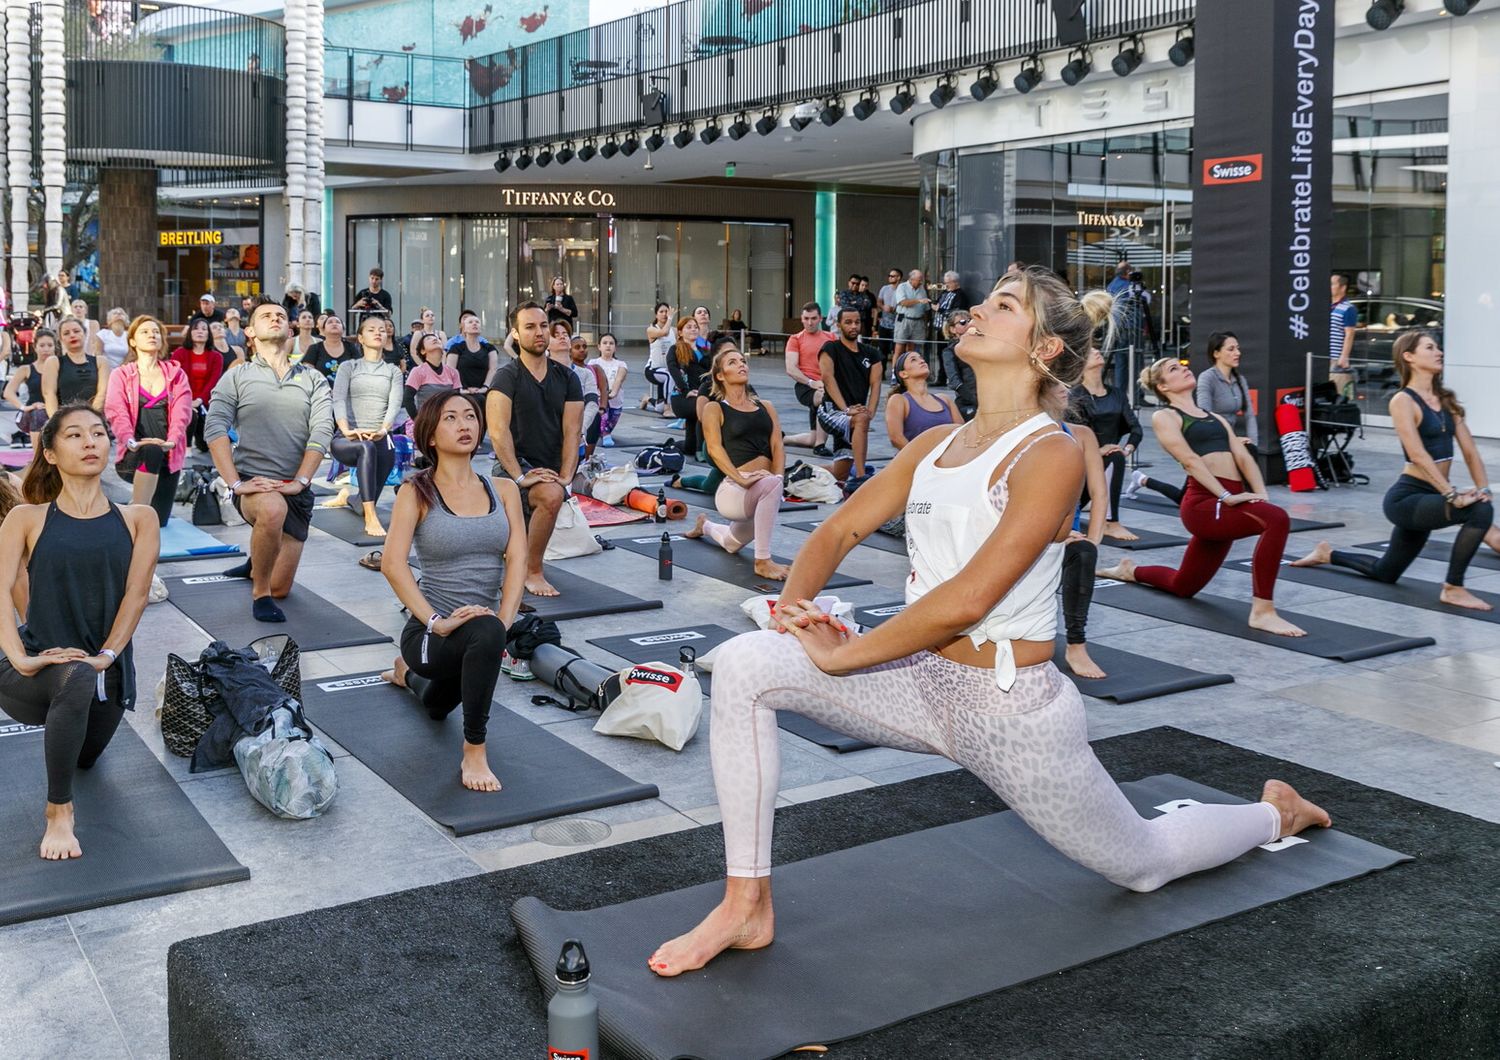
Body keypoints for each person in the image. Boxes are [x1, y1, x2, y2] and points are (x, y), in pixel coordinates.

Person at [647, 266, 1331, 977]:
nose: (976, 310)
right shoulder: (933, 445)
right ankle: (746, 903)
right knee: (747, 663)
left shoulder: (1052, 452)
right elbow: (835, 533)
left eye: (1003, 305)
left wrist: (844, 655)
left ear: (1041, 350)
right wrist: (796, 616)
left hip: (1010, 710)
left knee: (1143, 864)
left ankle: (1275, 814)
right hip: (913, 681)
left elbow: (970, 600)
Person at [0, 404, 158, 859]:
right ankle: (59, 812)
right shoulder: (26, 519)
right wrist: (20, 657)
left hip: (105, 673)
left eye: (98, 433)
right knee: (75, 676)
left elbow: (137, 595)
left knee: (86, 754)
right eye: (74, 436)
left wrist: (106, 656)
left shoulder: (138, 519)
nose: (90, 442)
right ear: (49, 453)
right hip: (32, 675)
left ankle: (77, 712)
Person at [378, 392, 526, 790]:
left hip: (478, 638)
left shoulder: (505, 490)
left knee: (435, 706)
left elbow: (518, 560)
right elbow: (393, 565)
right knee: (486, 631)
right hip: (430, 635)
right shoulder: (416, 491)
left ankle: (405, 676)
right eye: (450, 418)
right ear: (429, 435)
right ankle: (474, 751)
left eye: (470, 417)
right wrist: (436, 622)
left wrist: (505, 622)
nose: (464, 425)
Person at [1097, 358, 1304, 637]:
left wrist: (1261, 494)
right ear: (1162, 386)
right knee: (1277, 519)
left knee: (1184, 585)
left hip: (1225, 502)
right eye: (1173, 369)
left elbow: (1241, 456)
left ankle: (1130, 571)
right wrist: (1226, 495)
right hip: (1204, 504)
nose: (1183, 369)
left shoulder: (1215, 417)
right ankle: (1263, 611)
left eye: (1182, 366)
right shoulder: (1166, 417)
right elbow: (1190, 460)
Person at [1291, 330, 1493, 611]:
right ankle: (1453, 588)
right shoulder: (1403, 401)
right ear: (1409, 357)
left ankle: (1328, 554)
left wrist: (1483, 489)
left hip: (1432, 497)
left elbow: (1470, 452)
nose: (1439, 352)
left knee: (1386, 572)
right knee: (1478, 513)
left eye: (1438, 348)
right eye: (1430, 347)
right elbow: (1418, 455)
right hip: (1408, 499)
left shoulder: (1445, 400)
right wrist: (1451, 495)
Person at [204, 297, 334, 623]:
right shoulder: (237, 376)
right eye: (266, 316)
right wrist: (236, 483)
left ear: (290, 328)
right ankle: (259, 592)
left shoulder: (313, 378)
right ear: (250, 330)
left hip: (296, 487)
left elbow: (321, 430)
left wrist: (300, 481)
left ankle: (258, 565)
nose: (275, 318)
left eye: (280, 315)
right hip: (255, 484)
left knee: (282, 588)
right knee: (272, 510)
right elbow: (215, 428)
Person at [485, 302, 581, 599]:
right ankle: (532, 571)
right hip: (511, 468)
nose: (539, 332)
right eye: (529, 327)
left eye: (542, 326)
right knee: (549, 496)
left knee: (552, 491)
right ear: (515, 334)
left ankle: (521, 552)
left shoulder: (567, 378)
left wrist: (566, 475)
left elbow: (572, 431)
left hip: (549, 471)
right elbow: (498, 432)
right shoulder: (506, 377)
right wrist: (519, 476)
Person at [682, 345, 790, 581]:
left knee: (731, 543)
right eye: (733, 362)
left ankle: (705, 526)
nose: (741, 364)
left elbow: (777, 447)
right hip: (733, 491)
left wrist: (779, 480)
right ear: (720, 375)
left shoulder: (767, 407)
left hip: (763, 490)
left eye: (743, 360)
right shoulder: (715, 408)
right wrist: (740, 478)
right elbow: (714, 448)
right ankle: (762, 561)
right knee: (770, 483)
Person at [104, 316, 193, 528]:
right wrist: (129, 440)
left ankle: (134, 508)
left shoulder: (176, 374)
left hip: (168, 457)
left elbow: (183, 411)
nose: (151, 335)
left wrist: (172, 441)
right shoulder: (122, 374)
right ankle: (137, 510)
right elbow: (116, 411)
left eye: (155, 332)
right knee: (151, 450)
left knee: (159, 523)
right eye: (144, 332)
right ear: (132, 341)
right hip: (134, 454)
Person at [330, 316, 404, 539]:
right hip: (347, 439)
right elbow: (338, 399)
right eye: (371, 330)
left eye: (382, 329)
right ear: (360, 338)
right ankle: (371, 518)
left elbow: (394, 404)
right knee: (365, 448)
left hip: (380, 436)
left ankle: (351, 499)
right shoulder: (349, 367)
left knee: (363, 498)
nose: (378, 332)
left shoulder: (393, 371)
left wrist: (383, 429)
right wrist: (345, 429)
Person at [1067, 347, 1142, 542]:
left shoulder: (1116, 393)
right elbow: (1075, 436)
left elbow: (1136, 428)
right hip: (1081, 470)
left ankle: (1110, 521)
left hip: (1106, 463)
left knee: (1115, 456)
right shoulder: (1075, 395)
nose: (1097, 351)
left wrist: (1126, 449)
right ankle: (1109, 522)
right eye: (1090, 351)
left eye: (1097, 349)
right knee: (1112, 456)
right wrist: (1098, 451)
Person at [818, 306, 884, 483]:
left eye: (857, 322)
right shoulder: (830, 348)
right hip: (831, 412)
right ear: (839, 325)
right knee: (860, 418)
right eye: (848, 322)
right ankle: (861, 478)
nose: (853, 326)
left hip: (855, 415)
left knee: (841, 474)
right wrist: (846, 409)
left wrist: (871, 411)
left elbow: (876, 384)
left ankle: (801, 471)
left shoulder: (872, 353)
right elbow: (827, 378)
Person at [782, 302, 835, 453]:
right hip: (805, 386)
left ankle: (783, 439)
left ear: (820, 318)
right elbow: (791, 368)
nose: (809, 322)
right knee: (825, 397)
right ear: (802, 318)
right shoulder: (795, 339)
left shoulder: (830, 337)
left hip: (825, 385)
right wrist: (811, 382)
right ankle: (820, 446)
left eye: (813, 318)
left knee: (811, 439)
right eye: (806, 318)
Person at [884, 349, 960, 450]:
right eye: (913, 360)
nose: (922, 361)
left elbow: (961, 431)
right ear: (903, 374)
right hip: (917, 462)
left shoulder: (944, 399)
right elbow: (896, 438)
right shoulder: (899, 400)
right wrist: (922, 459)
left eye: (921, 358)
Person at [1194, 332, 1259, 451]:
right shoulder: (1207, 378)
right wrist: (1232, 440)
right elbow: (1204, 416)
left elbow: (1250, 415)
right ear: (1216, 353)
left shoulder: (1240, 379)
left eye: (1238, 348)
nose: (1237, 353)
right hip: (1212, 441)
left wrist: (1253, 443)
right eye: (1231, 349)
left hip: (1231, 441)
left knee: (1251, 450)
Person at [170, 319, 224, 453]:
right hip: (183, 401)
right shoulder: (179, 354)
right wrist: (187, 401)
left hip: (205, 403)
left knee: (204, 446)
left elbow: (214, 382)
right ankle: (187, 446)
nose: (200, 331)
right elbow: (174, 380)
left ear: (208, 334)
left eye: (204, 329)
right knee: (190, 412)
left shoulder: (216, 357)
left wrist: (199, 400)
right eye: (196, 328)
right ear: (190, 332)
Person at [41, 318, 108, 415]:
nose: (72, 335)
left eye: (76, 331)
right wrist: (56, 422)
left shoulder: (101, 361)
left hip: (95, 418)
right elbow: (49, 394)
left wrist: (91, 417)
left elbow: (103, 392)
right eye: (66, 333)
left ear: (85, 334)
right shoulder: (53, 362)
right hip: (64, 418)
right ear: (61, 339)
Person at [5, 329, 57, 449]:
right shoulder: (26, 369)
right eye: (42, 345)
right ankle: (37, 455)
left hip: (55, 411)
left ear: (55, 347)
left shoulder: (61, 367)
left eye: (50, 345)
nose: (46, 349)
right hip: (34, 414)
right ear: (35, 347)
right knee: (38, 414)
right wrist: (25, 407)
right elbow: (8, 392)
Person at [667, 316, 711, 457]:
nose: (693, 329)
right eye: (689, 327)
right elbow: (674, 371)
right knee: (704, 409)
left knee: (688, 447)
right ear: (680, 332)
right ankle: (701, 451)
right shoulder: (675, 349)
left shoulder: (704, 350)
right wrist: (685, 391)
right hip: (682, 398)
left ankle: (673, 444)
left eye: (695, 327)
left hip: (700, 395)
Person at [403, 332, 461, 418]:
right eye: (428, 339)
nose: (435, 339)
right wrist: (418, 421)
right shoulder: (417, 371)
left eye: (438, 339)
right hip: (427, 421)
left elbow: (457, 399)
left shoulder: (453, 372)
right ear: (423, 351)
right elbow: (407, 399)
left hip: (448, 420)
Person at [566, 331, 603, 458]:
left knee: (595, 416)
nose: (582, 350)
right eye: (577, 347)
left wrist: (602, 408)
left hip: (586, 416)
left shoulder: (593, 370)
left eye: (584, 346)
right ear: (569, 351)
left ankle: (586, 460)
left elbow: (602, 390)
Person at [445, 309, 498, 394]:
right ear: (464, 329)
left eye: (477, 322)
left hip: (483, 392)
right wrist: (461, 389)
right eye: (470, 322)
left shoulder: (489, 348)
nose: (474, 323)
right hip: (461, 393)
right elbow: (450, 371)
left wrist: (485, 387)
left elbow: (493, 369)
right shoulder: (455, 348)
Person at [588, 332, 627, 446]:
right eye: (605, 343)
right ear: (599, 346)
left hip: (615, 399)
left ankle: (604, 431)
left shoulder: (621, 364)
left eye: (611, 343)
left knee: (610, 423)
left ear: (615, 347)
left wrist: (612, 393)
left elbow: (619, 380)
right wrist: (603, 395)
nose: (608, 346)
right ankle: (605, 434)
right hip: (600, 398)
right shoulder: (593, 363)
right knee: (602, 415)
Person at [931, 271, 969, 381]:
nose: (946, 285)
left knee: (950, 353)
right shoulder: (944, 293)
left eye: (949, 283)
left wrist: (940, 309)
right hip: (939, 327)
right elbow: (937, 303)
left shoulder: (960, 295)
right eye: (945, 283)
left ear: (955, 282)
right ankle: (941, 378)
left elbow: (956, 313)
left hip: (950, 329)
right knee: (940, 354)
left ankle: (949, 377)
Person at [940, 311, 977, 420]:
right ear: (952, 329)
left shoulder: (981, 346)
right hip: (969, 402)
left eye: (970, 321)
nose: (968, 324)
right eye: (962, 322)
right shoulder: (949, 351)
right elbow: (954, 381)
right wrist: (975, 400)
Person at [892, 268, 931, 361]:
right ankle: (894, 373)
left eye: (921, 279)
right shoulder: (902, 287)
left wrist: (926, 325)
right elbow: (903, 302)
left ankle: (911, 371)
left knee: (913, 351)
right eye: (919, 280)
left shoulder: (922, 289)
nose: (921, 282)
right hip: (904, 319)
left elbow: (926, 309)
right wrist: (918, 301)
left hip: (918, 321)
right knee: (899, 348)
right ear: (911, 279)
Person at [642, 302, 674, 412]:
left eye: (667, 312)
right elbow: (664, 332)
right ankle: (668, 407)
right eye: (661, 312)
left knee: (658, 408)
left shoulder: (673, 330)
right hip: (653, 369)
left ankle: (648, 399)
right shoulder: (651, 329)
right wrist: (670, 318)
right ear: (656, 315)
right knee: (669, 375)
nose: (665, 314)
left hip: (667, 369)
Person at [1330, 271, 1357, 396]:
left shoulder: (1348, 308)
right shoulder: (1327, 306)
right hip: (1323, 356)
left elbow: (1349, 334)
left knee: (1338, 390)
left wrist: (1344, 356)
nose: (1329, 287)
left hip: (1335, 357)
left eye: (1332, 284)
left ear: (1343, 287)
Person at [306, 313, 353, 380]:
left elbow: (359, 370)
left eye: (338, 322)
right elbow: (307, 373)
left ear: (343, 329)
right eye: (330, 322)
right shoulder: (314, 348)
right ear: (324, 330)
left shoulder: (351, 347)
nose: (334, 324)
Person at [876, 267, 901, 359]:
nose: (890, 277)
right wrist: (883, 307)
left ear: (898, 277)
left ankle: (895, 371)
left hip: (897, 324)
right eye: (889, 276)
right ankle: (882, 372)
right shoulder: (884, 288)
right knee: (882, 349)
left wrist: (895, 309)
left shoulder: (902, 289)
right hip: (884, 324)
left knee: (897, 349)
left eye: (892, 276)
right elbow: (878, 302)